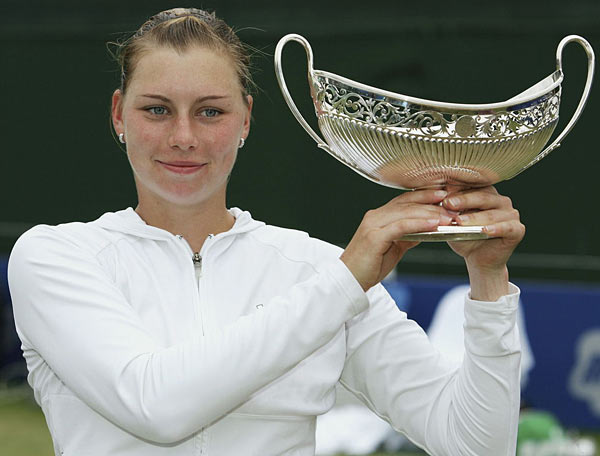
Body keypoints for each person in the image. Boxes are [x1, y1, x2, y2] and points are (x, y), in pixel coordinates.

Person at [8, 8, 526, 456]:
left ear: (246, 119)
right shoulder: (56, 256)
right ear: (119, 114)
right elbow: (155, 407)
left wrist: (488, 281)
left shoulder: (316, 269)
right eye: (157, 110)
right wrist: (342, 284)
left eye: (211, 111)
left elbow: (474, 443)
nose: (184, 137)